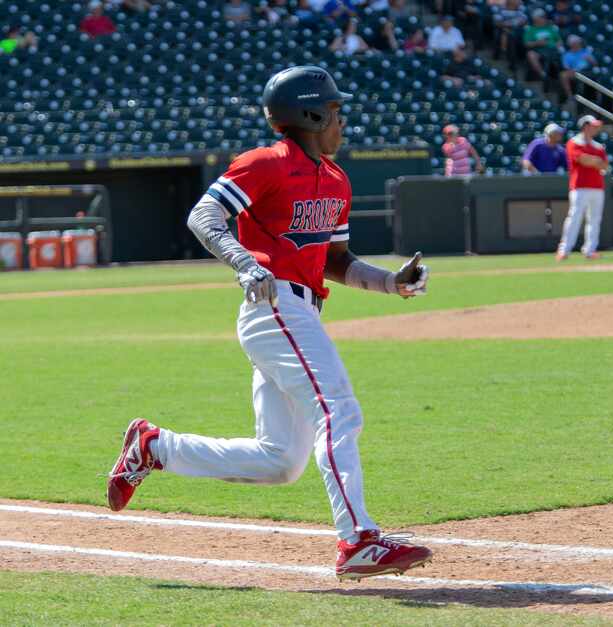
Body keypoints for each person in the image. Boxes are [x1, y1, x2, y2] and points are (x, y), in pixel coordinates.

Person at [106, 65, 433, 581]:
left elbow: (335, 260)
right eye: (334, 112)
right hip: (275, 304)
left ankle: (155, 447)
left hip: (296, 309)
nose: (341, 122)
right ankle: (359, 540)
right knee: (339, 413)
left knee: (281, 460)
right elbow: (204, 216)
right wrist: (242, 260)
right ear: (309, 114)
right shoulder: (266, 162)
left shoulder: (336, 178)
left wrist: (393, 282)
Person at [556, 114, 608, 260]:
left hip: (597, 186)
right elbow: (583, 160)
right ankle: (564, 250)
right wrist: (595, 161)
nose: (596, 128)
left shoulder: (597, 146)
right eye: (593, 126)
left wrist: (594, 161)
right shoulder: (574, 142)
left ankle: (590, 250)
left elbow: (604, 164)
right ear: (585, 126)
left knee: (594, 219)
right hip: (580, 186)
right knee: (575, 217)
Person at [523, 9, 561, 82]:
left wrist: (557, 45)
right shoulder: (530, 29)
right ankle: (543, 74)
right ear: (535, 19)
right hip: (539, 50)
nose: (545, 19)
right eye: (542, 17)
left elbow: (559, 40)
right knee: (530, 54)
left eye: (544, 17)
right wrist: (537, 43)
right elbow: (526, 44)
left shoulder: (550, 27)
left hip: (553, 50)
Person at [560, 34, 597, 100]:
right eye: (576, 43)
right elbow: (566, 68)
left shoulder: (586, 51)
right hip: (575, 72)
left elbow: (595, 64)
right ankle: (570, 96)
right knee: (563, 75)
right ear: (571, 45)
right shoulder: (567, 55)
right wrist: (572, 71)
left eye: (578, 43)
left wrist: (590, 60)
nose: (578, 44)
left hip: (587, 71)